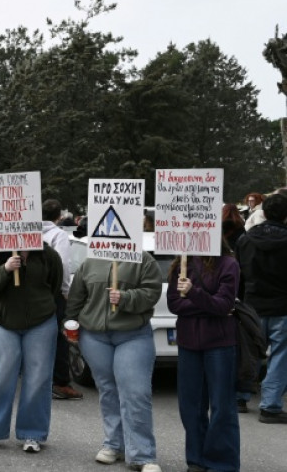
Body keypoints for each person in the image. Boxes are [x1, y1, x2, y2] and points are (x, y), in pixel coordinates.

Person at [66, 253, 163, 472]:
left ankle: (143, 455)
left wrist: (126, 297)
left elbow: (152, 292)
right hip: (94, 336)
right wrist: (69, 322)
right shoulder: (90, 260)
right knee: (108, 389)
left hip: (133, 335)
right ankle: (113, 444)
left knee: (136, 392)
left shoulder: (144, 260)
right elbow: (76, 297)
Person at [0, 244, 62, 454]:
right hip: (3, 322)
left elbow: (54, 286)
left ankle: (33, 434)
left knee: (38, 378)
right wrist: (6, 269)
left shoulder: (47, 254)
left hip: (41, 322)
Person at [167, 247, 240, 472]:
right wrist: (207, 305)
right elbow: (174, 304)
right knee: (191, 406)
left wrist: (194, 293)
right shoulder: (181, 263)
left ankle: (221, 464)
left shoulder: (228, 264)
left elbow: (223, 305)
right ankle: (196, 460)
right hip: (189, 343)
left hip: (219, 343)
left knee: (222, 406)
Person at [236, 192, 287, 423]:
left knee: (249, 353)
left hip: (252, 305)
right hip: (282, 307)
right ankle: (271, 406)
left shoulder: (245, 240)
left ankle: (240, 396)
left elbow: (238, 275)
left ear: (263, 213)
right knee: (280, 356)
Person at [41, 199, 82, 400]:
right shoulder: (59, 235)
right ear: (59, 217)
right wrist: (65, 290)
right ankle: (60, 382)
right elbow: (64, 265)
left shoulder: (30, 233)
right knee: (61, 337)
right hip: (54, 292)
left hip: (34, 291)